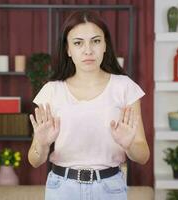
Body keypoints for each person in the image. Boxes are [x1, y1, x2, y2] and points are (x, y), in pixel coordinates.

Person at [28, 10, 150, 200]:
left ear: (105, 46)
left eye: (96, 41)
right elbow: (35, 160)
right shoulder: (52, 90)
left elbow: (143, 156)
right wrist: (42, 145)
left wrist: (129, 145)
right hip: (62, 188)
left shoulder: (124, 87)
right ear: (68, 49)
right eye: (78, 43)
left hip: (110, 188)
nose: (88, 50)